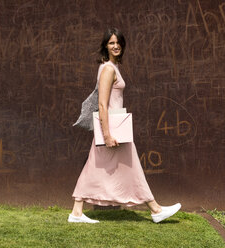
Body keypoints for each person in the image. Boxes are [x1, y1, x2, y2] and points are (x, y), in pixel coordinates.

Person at [69, 28, 181, 224]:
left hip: (115, 129)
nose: (116, 45)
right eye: (111, 43)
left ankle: (77, 212)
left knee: (95, 167)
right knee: (127, 167)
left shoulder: (113, 67)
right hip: (112, 130)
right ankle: (155, 209)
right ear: (105, 46)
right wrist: (106, 134)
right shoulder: (108, 69)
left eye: (118, 42)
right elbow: (102, 104)